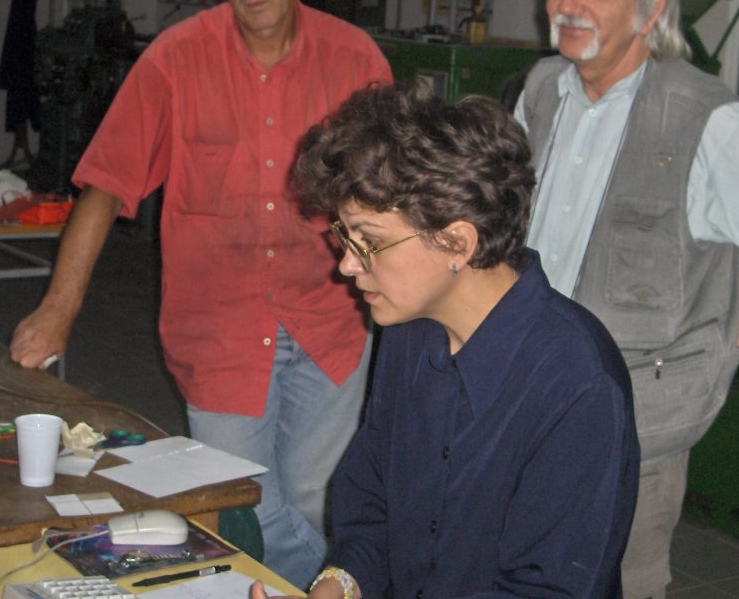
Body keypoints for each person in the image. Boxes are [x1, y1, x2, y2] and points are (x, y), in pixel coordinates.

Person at [8, 0, 392, 588]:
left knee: (319, 496)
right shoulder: (175, 60)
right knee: (245, 503)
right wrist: (57, 309)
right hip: (219, 329)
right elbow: (106, 186)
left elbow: (393, 195)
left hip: (331, 319)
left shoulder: (354, 59)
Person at [512, 0, 739, 599]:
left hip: (633, 427)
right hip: (524, 404)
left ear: (651, 10)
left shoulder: (707, 120)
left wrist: (736, 335)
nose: (567, 3)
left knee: (618, 584)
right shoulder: (539, 92)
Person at [251, 83, 640, 599]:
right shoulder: (409, 331)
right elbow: (371, 506)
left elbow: (548, 588)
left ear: (456, 243)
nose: (346, 264)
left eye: (369, 241)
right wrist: (339, 584)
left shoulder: (576, 382)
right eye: (346, 236)